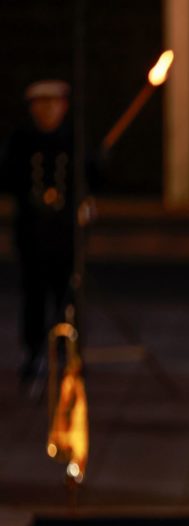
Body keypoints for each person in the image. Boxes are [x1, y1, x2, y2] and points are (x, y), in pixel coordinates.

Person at [0, 80, 90, 393]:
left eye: (54, 103)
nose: (49, 110)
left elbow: (89, 178)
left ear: (64, 106)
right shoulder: (21, 140)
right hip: (33, 231)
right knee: (34, 295)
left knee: (68, 294)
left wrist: (97, 164)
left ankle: (69, 353)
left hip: (66, 233)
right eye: (42, 104)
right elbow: (8, 177)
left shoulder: (73, 139)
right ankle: (35, 352)